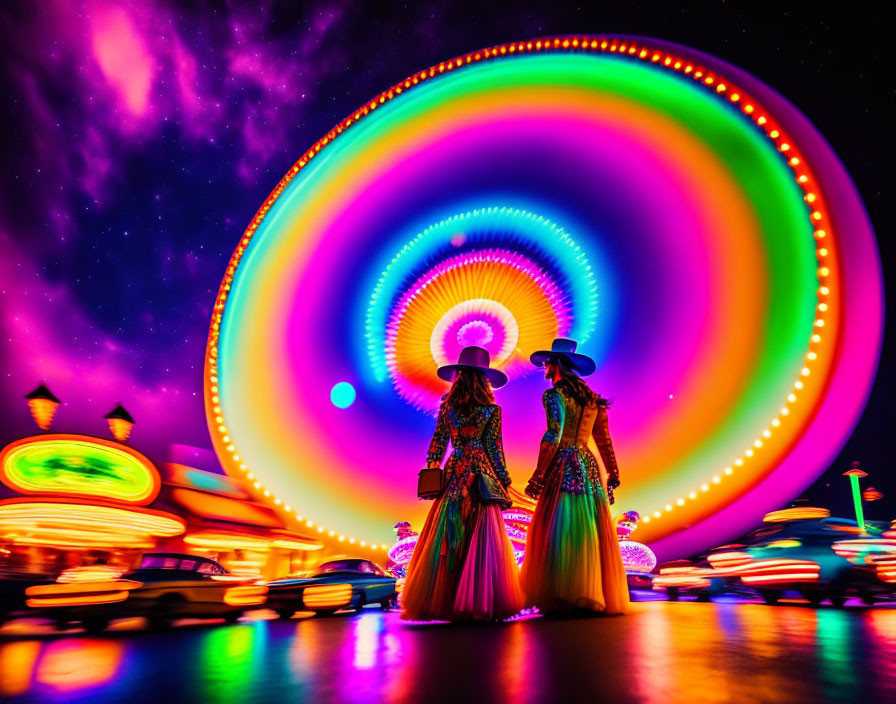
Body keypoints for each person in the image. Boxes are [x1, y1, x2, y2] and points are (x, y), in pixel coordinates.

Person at [401, 345, 525, 621]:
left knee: (446, 530)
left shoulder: (448, 406)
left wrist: (433, 466)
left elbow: (437, 443)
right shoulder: (491, 410)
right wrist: (503, 481)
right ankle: (477, 598)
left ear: (458, 376)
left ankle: (444, 598)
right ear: (484, 379)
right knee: (482, 532)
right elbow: (494, 448)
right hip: (479, 471)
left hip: (455, 471)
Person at [520, 337, 629, 615]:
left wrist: (539, 474)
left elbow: (552, 435)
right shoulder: (592, 399)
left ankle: (563, 592)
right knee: (588, 525)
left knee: (561, 525)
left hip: (564, 463)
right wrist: (612, 475)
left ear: (556, 364)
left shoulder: (554, 395)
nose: (544, 366)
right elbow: (604, 440)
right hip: (589, 466)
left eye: (547, 361)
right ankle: (591, 591)